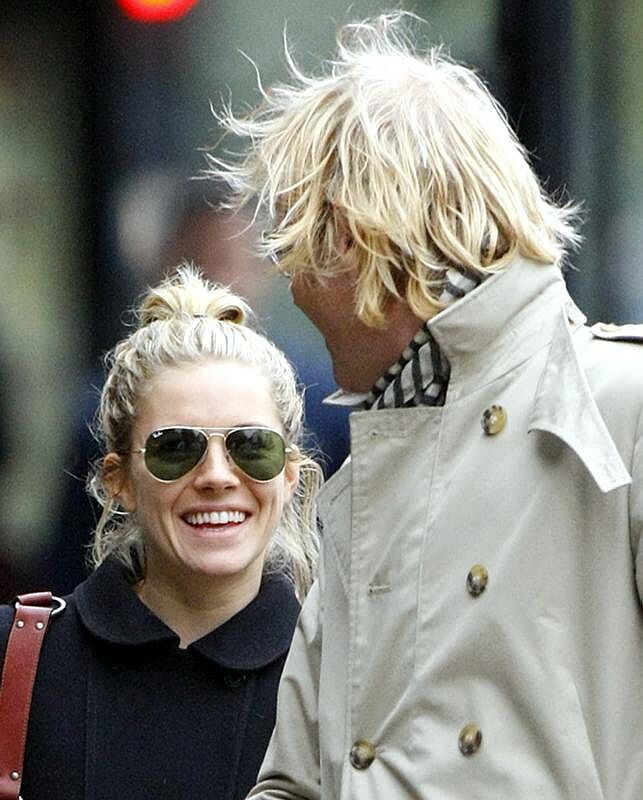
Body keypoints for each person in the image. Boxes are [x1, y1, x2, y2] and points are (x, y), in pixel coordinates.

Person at [208, 11, 643, 799]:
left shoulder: (620, 408)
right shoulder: (366, 475)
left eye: (296, 239)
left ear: (353, 236)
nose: (289, 281)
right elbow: (296, 783)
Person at [0, 265, 322, 800]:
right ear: (119, 480)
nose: (217, 477)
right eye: (176, 448)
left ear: (289, 474)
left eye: (251, 447)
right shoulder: (17, 663)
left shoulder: (345, 687)